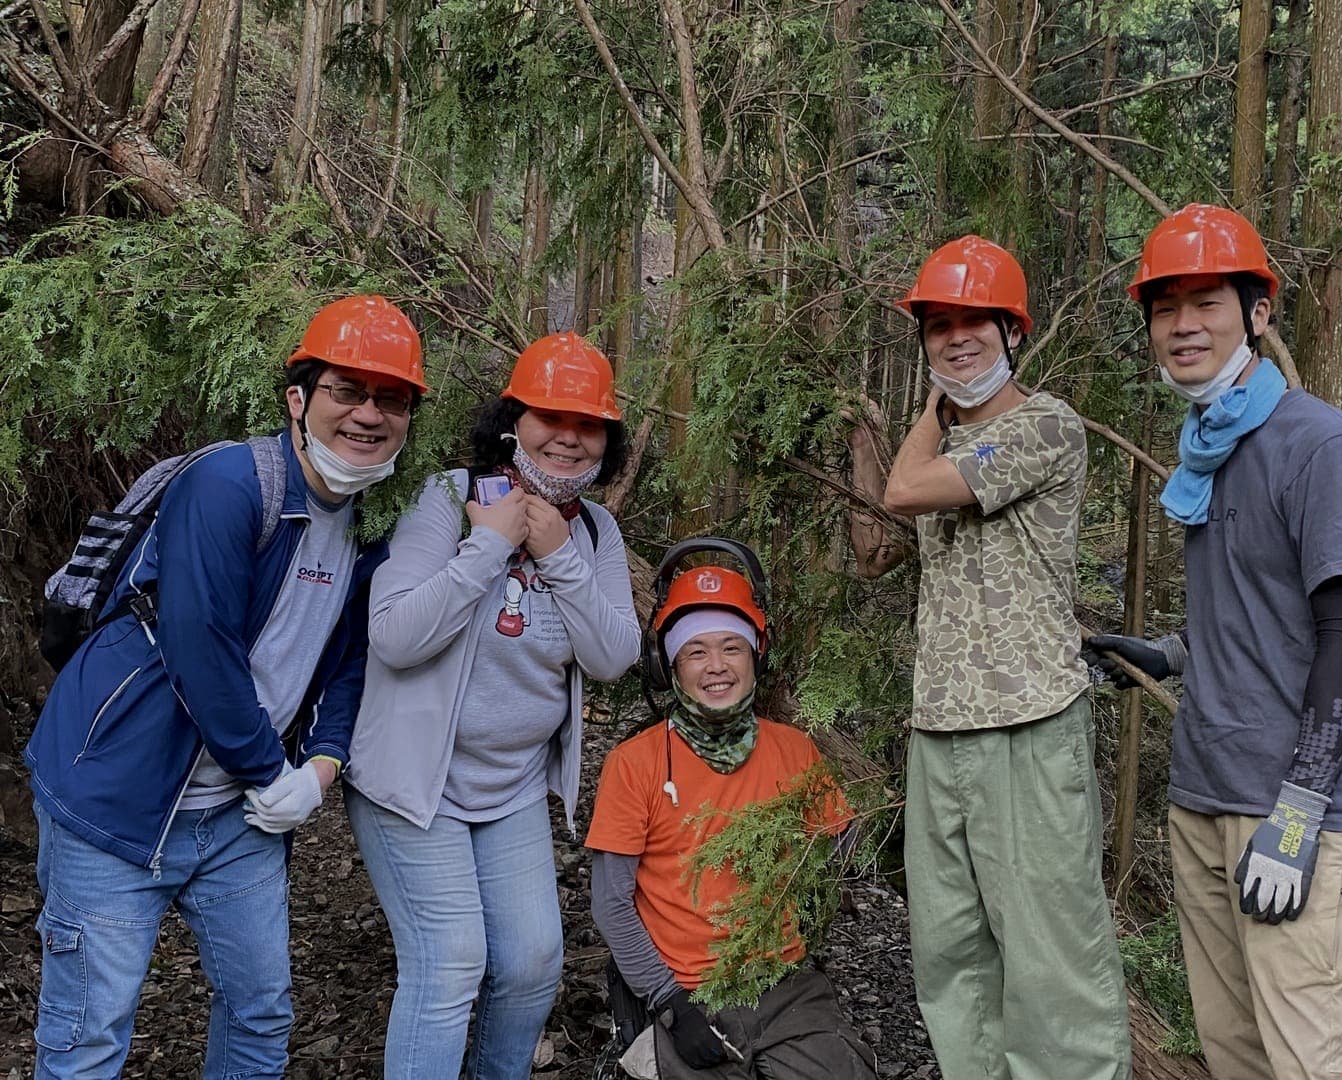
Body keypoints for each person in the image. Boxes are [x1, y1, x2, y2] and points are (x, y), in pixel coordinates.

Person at [25, 294, 428, 1078]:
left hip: (239, 819)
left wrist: (324, 766)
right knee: (88, 1040)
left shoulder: (368, 528)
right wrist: (270, 771)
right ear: (298, 398)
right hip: (114, 800)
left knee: (260, 1011)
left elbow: (350, 661)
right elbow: (198, 647)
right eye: (347, 390)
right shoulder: (228, 484)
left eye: (392, 399)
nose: (369, 415)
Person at [1085, 204, 1342, 1080]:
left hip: (1309, 814)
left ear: (1258, 313)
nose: (1183, 325)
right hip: (1208, 797)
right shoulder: (1211, 449)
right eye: (1164, 307)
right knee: (1237, 1059)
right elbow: (1267, 618)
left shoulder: (1323, 447)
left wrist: (1298, 816)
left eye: (1206, 302)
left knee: (1313, 1065)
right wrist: (1172, 653)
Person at [850, 236, 1130, 1080]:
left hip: (1028, 722)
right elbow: (875, 545)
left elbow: (899, 494)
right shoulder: (945, 441)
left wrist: (931, 410)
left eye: (976, 322)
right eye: (938, 325)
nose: (956, 339)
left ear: (1015, 333)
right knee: (951, 957)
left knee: (1051, 961)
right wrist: (928, 414)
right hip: (940, 725)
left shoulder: (1045, 425)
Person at [343, 331, 641, 1080]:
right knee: (449, 966)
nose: (569, 439)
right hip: (418, 782)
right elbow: (395, 636)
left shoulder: (597, 531)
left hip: (507, 787)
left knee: (534, 964)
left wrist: (558, 555)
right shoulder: (448, 497)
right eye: (550, 418)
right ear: (514, 421)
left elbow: (612, 657)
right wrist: (486, 548)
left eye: (589, 425)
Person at [586, 537, 877, 1079]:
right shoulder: (635, 763)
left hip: (786, 986)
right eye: (696, 651)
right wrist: (668, 1001)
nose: (716, 666)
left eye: (732, 647)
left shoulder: (794, 749)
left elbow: (839, 854)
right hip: (687, 992)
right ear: (668, 664)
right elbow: (610, 902)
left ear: (756, 655)